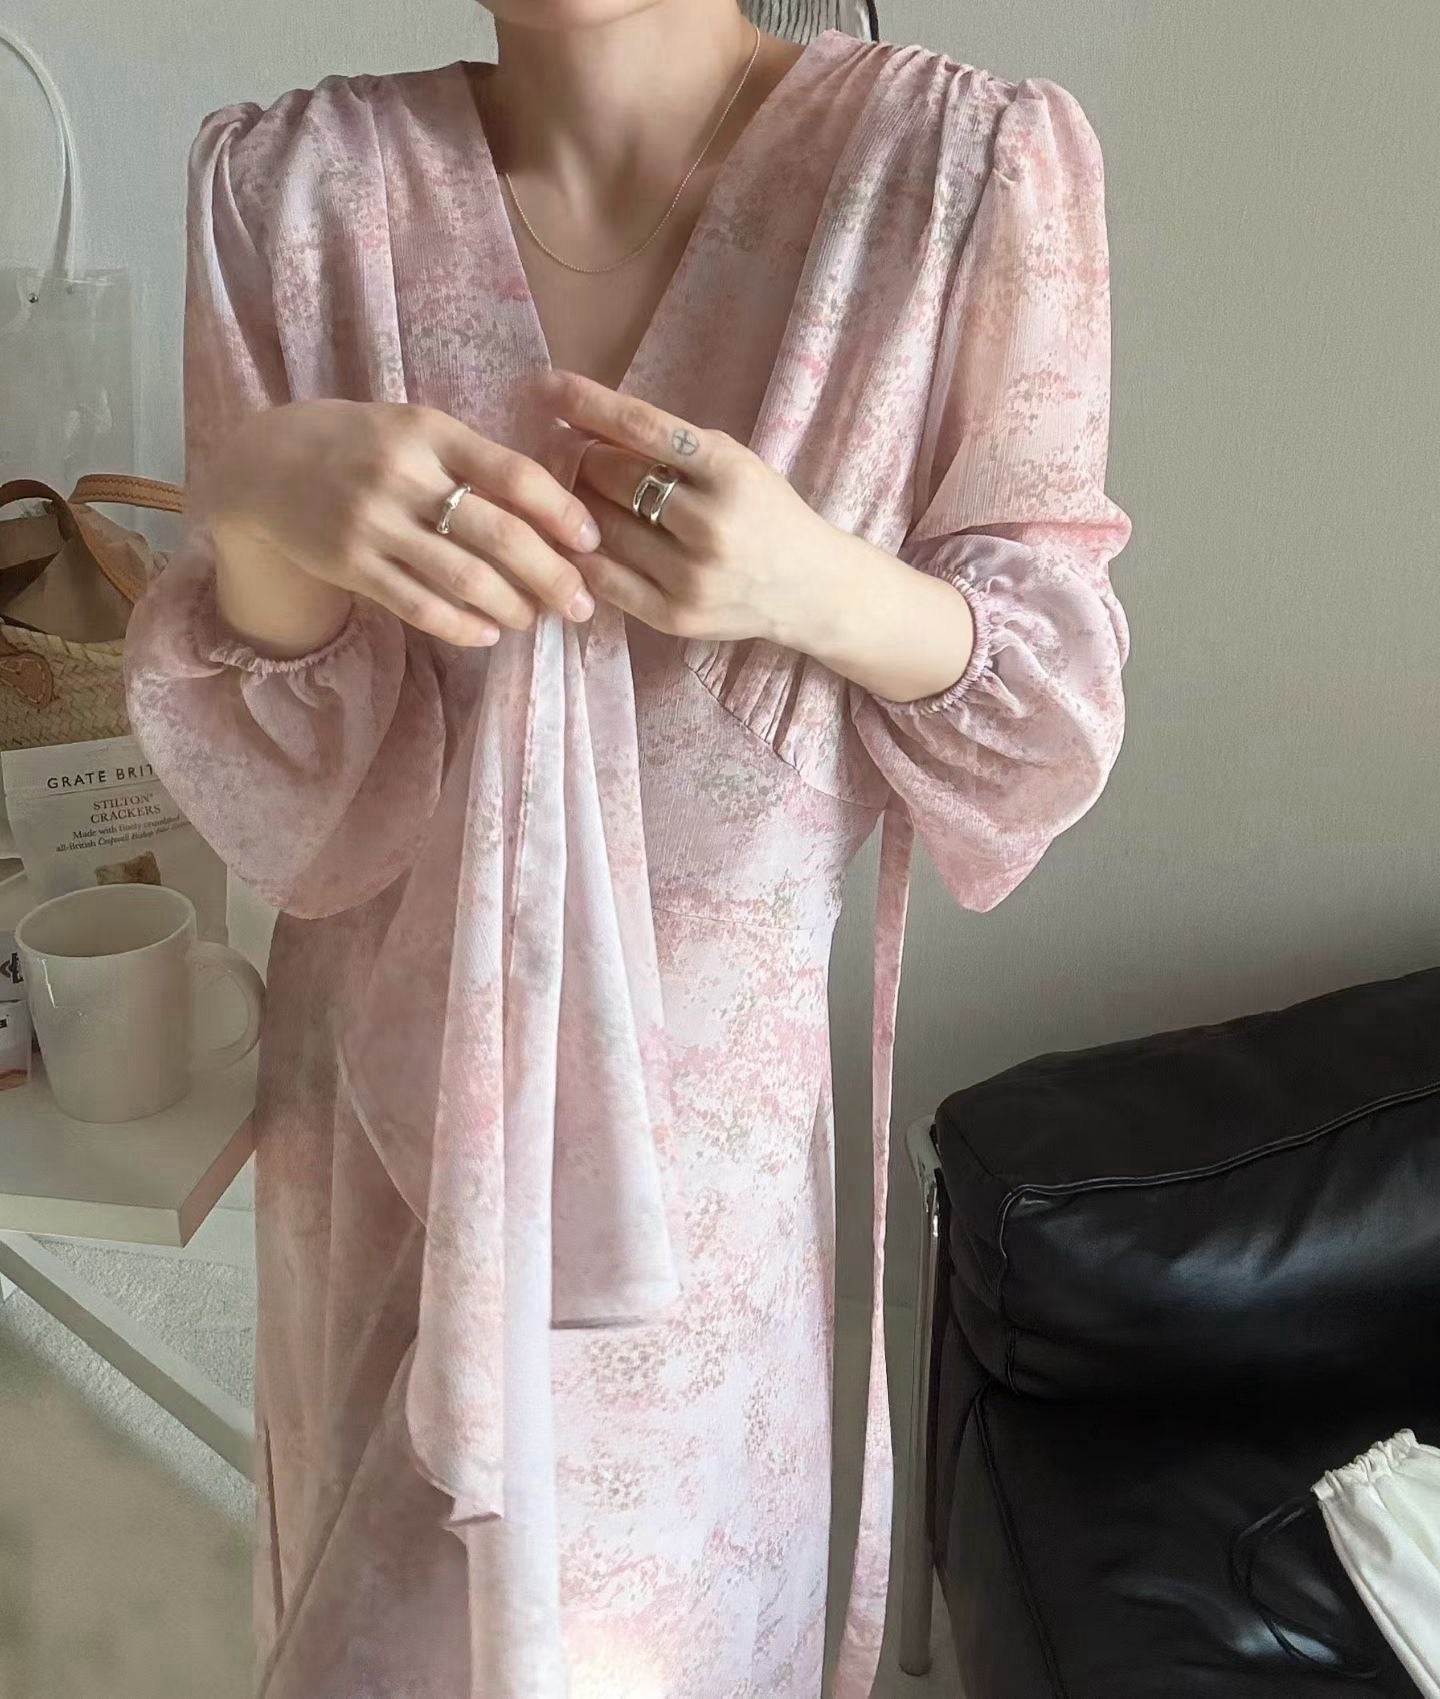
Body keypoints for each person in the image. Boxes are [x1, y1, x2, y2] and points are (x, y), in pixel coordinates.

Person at [124, 2, 1134, 1694]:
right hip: (384, 1175)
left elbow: (1044, 726)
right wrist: (258, 504)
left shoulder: (956, 173)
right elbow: (298, 818)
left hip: (702, 1225)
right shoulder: (291, 193)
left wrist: (813, 585)